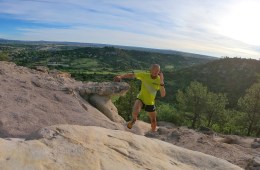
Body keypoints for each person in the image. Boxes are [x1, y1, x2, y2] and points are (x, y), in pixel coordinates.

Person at [113, 64, 166, 132]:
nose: (155, 72)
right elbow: (132, 75)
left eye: (157, 70)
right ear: (150, 70)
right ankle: (134, 120)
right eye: (154, 70)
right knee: (135, 111)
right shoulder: (144, 75)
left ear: (159, 71)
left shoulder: (159, 80)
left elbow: (163, 94)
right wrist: (121, 76)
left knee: (153, 120)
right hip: (141, 98)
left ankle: (153, 132)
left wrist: (161, 81)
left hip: (150, 102)